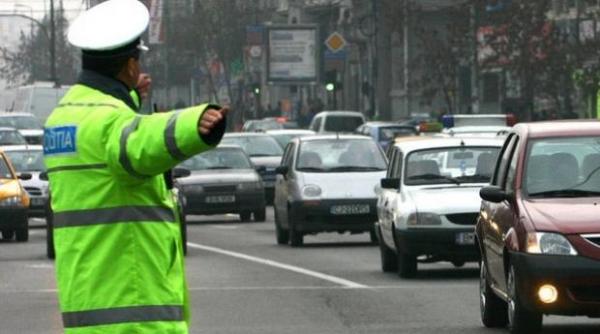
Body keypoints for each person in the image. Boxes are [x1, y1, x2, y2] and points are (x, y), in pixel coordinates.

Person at [42, 1, 227, 333]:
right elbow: (137, 144)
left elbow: (109, 146)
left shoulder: (63, 117)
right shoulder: (110, 121)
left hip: (88, 303)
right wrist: (195, 123)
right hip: (131, 310)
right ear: (129, 66)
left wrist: (128, 99)